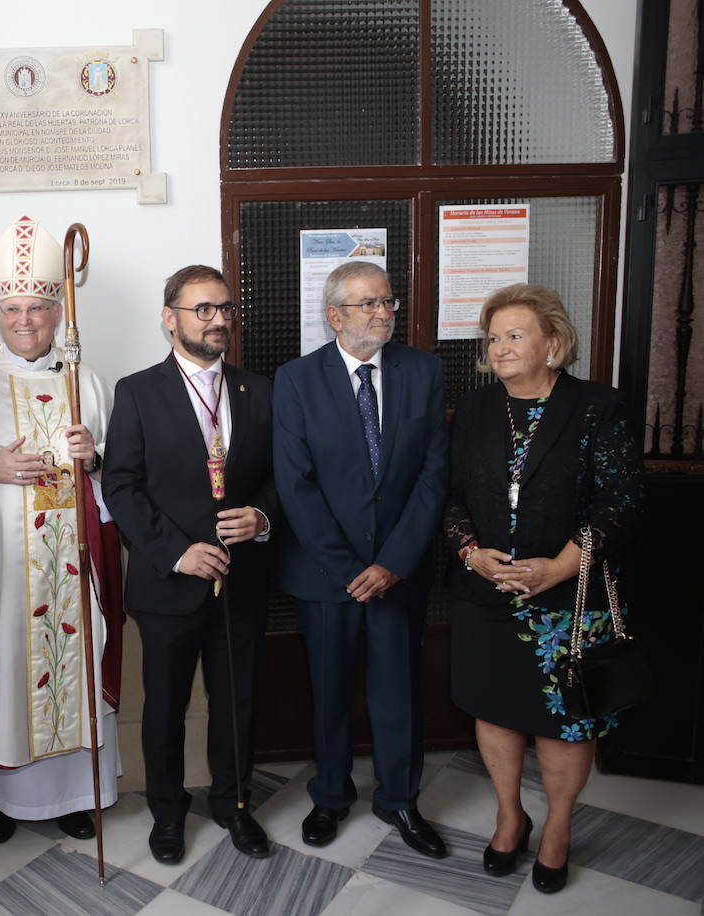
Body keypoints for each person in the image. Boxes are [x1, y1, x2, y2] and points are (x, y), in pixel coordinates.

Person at [0, 216, 124, 845]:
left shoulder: (87, 380)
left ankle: (71, 795)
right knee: (10, 666)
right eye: (12, 308)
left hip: (72, 570)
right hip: (1, 575)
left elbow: (118, 480)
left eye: (37, 309)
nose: (23, 321)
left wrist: (91, 458)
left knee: (74, 666)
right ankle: (2, 796)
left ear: (57, 309)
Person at [445, 284, 643, 893]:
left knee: (565, 723)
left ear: (552, 344)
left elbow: (622, 500)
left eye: (515, 335)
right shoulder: (475, 409)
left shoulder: (597, 408)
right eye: (494, 337)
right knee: (497, 713)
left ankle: (557, 826)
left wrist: (560, 566)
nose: (500, 348)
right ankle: (510, 817)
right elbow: (450, 497)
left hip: (567, 600)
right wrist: (471, 553)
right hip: (488, 594)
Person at [272, 261, 449, 858]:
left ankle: (400, 799)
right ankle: (330, 796)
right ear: (334, 317)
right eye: (368, 303)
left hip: (398, 572)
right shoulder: (296, 381)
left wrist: (393, 561)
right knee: (330, 690)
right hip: (328, 576)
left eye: (388, 301)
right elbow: (295, 485)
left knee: (399, 690)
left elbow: (433, 475)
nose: (383, 313)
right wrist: (350, 567)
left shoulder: (422, 372)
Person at [102, 265, 277, 864]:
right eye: (204, 309)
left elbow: (280, 480)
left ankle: (234, 805)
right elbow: (121, 487)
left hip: (242, 580)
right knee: (165, 706)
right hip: (167, 583)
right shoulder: (137, 391)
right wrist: (178, 551)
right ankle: (168, 814)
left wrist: (261, 518)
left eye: (225, 308)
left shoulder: (261, 390)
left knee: (237, 701)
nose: (219, 320)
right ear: (170, 317)